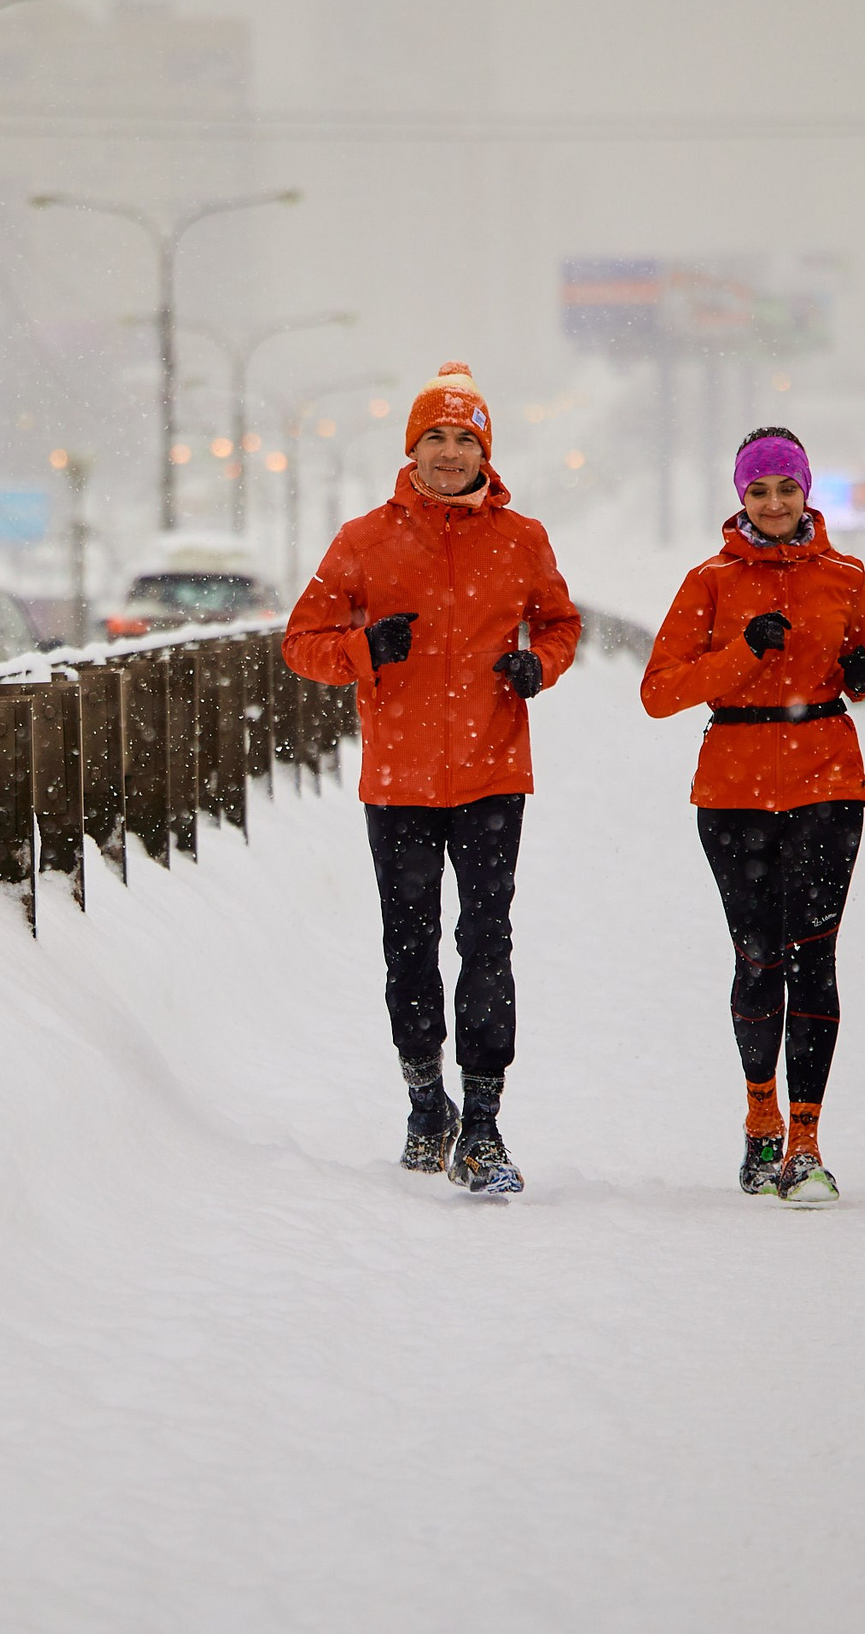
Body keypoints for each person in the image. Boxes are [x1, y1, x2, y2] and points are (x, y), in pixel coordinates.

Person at [284, 363, 581, 1194]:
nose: (449, 454)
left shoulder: (523, 539)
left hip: (492, 773)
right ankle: (426, 1105)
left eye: (465, 439)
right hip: (400, 780)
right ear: (410, 448)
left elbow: (560, 622)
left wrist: (538, 665)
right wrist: (361, 651)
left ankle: (482, 1124)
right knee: (408, 948)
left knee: (487, 941)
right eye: (435, 438)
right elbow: (300, 640)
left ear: (486, 451)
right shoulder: (363, 540)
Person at [639, 426, 865, 1206]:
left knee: (815, 953)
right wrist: (743, 651)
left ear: (806, 491)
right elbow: (660, 691)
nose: (774, 503)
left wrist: (864, 673)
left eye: (786, 487)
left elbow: (860, 661)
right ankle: (760, 1122)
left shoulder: (845, 573)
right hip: (735, 790)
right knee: (759, 959)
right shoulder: (708, 581)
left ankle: (807, 1145)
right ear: (740, 498)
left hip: (827, 777)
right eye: (758, 490)